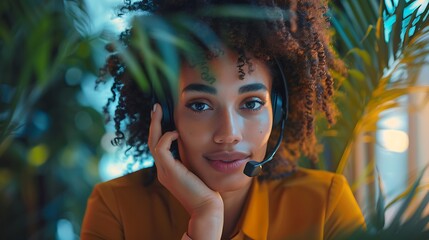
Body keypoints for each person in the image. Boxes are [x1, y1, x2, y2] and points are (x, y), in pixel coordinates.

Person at [81, 0, 366, 239]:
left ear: (277, 109)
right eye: (200, 105)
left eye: (252, 103)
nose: (229, 134)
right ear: (166, 114)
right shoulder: (115, 207)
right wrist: (205, 218)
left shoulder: (326, 205)